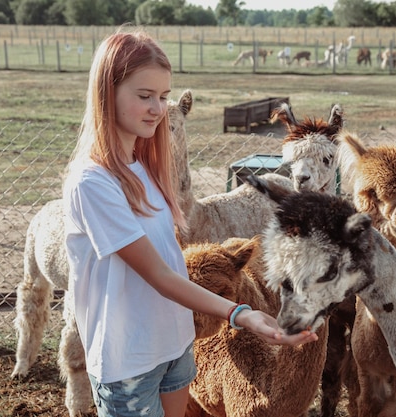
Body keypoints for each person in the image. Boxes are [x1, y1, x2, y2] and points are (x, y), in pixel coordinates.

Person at [62, 28, 318, 417]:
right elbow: (161, 275)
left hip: (174, 344)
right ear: (106, 93)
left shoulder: (144, 168)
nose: (158, 109)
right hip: (128, 359)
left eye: (163, 97)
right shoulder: (93, 183)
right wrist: (239, 313)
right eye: (144, 96)